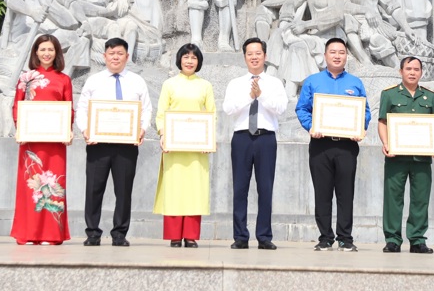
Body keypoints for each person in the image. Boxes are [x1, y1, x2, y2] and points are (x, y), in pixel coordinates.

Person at [76, 37, 153, 247]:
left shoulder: (137, 81)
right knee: (93, 189)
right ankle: (92, 233)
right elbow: (82, 108)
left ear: (127, 56)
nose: (115, 57)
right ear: (104, 56)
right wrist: (85, 130)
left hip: (126, 145)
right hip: (97, 144)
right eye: (111, 53)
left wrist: (142, 128)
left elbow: (146, 108)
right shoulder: (94, 80)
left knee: (124, 190)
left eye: (120, 53)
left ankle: (119, 233)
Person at [295, 37, 370, 251]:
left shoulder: (355, 83)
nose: (337, 56)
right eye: (333, 52)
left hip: (347, 146)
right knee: (323, 192)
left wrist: (360, 128)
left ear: (347, 56)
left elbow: (364, 110)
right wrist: (311, 126)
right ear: (325, 55)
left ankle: (345, 238)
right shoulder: (312, 81)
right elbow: (302, 109)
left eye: (341, 52)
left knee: (346, 193)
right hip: (321, 145)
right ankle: (325, 237)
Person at [223, 38, 288, 250]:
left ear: (265, 56)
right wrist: (249, 97)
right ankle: (240, 236)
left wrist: (262, 96)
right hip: (242, 137)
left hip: (266, 138)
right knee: (240, 188)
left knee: (265, 188)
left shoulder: (275, 83)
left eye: (258, 53)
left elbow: (280, 108)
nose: (254, 57)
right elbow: (229, 108)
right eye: (250, 53)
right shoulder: (235, 83)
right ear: (244, 57)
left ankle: (264, 236)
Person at [10, 34, 74, 245]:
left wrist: (68, 130)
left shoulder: (64, 79)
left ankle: (50, 234)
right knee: (31, 185)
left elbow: (68, 108)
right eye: (42, 49)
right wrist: (21, 129)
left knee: (53, 184)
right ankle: (29, 233)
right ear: (35, 52)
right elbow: (17, 106)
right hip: (31, 141)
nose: (47, 53)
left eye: (51, 50)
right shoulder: (25, 78)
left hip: (55, 142)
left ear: (57, 53)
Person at [378, 56, 434, 254]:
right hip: (396, 157)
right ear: (401, 72)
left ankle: (417, 240)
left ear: (421, 73)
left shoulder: (429, 97)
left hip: (422, 158)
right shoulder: (389, 95)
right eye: (408, 69)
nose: (412, 72)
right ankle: (392, 239)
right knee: (393, 198)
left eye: (416, 69)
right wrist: (386, 143)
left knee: (420, 199)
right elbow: (382, 122)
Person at [153, 43, 215, 247]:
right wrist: (163, 134)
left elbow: (211, 115)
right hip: (173, 147)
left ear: (199, 62)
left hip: (197, 149)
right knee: (174, 190)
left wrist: (209, 139)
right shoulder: (169, 84)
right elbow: (161, 113)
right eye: (186, 57)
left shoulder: (205, 86)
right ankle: (174, 235)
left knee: (194, 190)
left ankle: (190, 235)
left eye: (194, 58)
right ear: (179, 59)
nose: (189, 61)